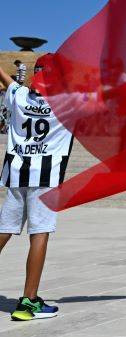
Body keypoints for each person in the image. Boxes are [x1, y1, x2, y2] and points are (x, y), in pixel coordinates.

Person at [0, 60, 72, 321]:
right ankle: (28, 302)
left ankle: (30, 299)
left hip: (16, 174)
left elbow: (8, 82)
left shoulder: (18, 96)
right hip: (46, 178)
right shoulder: (67, 105)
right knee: (39, 234)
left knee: (4, 230)